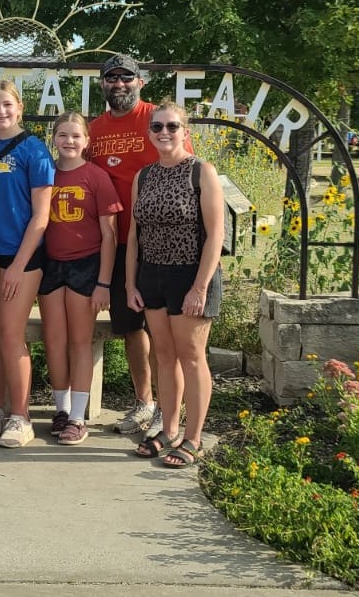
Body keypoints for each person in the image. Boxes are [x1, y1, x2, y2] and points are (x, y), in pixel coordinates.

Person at [87, 54, 193, 439]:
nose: (119, 84)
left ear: (140, 81)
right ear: (102, 84)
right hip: (116, 244)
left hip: (163, 243)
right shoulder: (94, 130)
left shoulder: (159, 120)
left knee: (164, 331)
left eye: (126, 77)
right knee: (132, 327)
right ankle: (144, 401)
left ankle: (169, 410)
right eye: (111, 78)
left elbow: (187, 173)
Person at [126, 100, 223, 469]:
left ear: (185, 131)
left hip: (190, 274)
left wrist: (200, 287)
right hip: (152, 275)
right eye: (157, 127)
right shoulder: (145, 176)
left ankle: (193, 437)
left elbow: (216, 235)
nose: (164, 133)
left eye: (172, 126)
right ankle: (168, 430)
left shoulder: (202, 172)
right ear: (149, 133)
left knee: (192, 357)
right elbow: (134, 234)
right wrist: (130, 283)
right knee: (164, 356)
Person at [0, 80, 54, 448]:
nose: (0, 112)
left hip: (22, 253)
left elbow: (41, 216)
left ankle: (20, 415)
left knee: (10, 332)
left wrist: (19, 265)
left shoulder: (35, 150)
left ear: (19, 107)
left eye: (7, 105)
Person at [38, 112, 122, 445]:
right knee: (54, 341)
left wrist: (103, 282)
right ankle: (60, 410)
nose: (69, 141)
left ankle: (77, 416)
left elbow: (110, 236)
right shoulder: (46, 174)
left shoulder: (96, 177)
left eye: (76, 135)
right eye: (62, 135)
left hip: (85, 266)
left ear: (87, 141)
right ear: (54, 139)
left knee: (79, 341)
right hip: (51, 265)